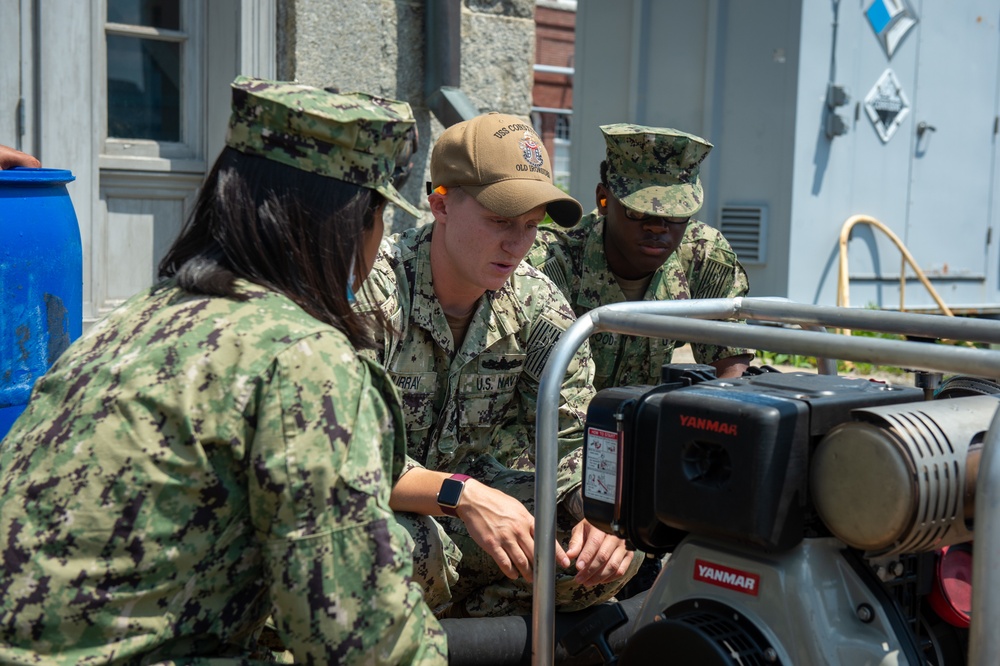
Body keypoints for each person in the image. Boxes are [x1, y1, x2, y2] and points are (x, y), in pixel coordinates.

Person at [0, 77, 446, 665]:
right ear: (350, 222)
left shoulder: (135, 319)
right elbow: (364, 642)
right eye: (381, 215)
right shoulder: (303, 358)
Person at [357, 112, 641, 619]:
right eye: (499, 221)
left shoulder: (536, 303)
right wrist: (459, 494)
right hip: (382, 510)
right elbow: (346, 459)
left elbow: (572, 437)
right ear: (440, 204)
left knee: (617, 550)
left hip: (476, 507)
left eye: (532, 226)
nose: (517, 244)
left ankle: (467, 624)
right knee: (402, 551)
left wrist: (600, 514)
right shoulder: (373, 294)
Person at [526, 123, 754, 388]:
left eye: (676, 212)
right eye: (638, 210)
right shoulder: (550, 262)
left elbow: (729, 375)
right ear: (603, 200)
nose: (658, 226)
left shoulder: (703, 256)